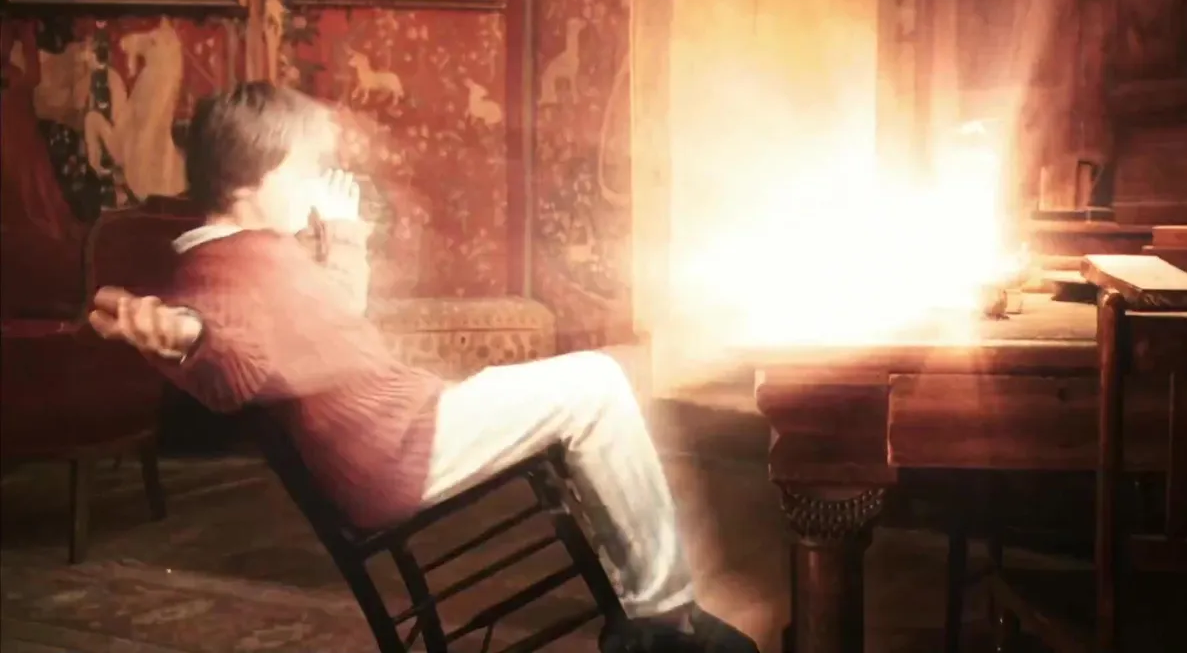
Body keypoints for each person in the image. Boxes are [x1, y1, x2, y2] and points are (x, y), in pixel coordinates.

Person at [87, 82, 759, 653]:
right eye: (304, 170)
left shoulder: (253, 247)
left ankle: (652, 608)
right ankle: (664, 622)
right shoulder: (218, 275)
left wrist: (344, 234)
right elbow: (235, 362)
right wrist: (186, 335)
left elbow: (336, 313)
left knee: (592, 388)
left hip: (407, 426)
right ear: (252, 178)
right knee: (600, 385)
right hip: (397, 452)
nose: (316, 186)